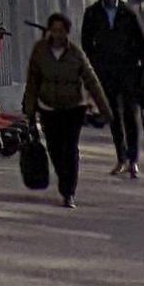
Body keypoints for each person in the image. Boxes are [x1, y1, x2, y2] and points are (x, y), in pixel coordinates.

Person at [21, 12, 107, 206]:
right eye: (54, 30)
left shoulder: (75, 53)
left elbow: (91, 80)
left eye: (61, 31)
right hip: (48, 107)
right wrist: (30, 109)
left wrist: (104, 109)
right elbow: (33, 81)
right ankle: (63, 178)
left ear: (67, 33)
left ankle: (68, 191)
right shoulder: (40, 51)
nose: (58, 35)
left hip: (73, 108)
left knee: (70, 149)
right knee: (54, 148)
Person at [81, 0, 144, 176]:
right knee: (113, 115)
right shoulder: (93, 13)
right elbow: (86, 42)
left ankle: (133, 160)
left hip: (128, 70)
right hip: (106, 72)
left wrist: (141, 65)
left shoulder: (128, 13)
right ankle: (121, 158)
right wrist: (95, 62)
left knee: (131, 115)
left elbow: (142, 41)